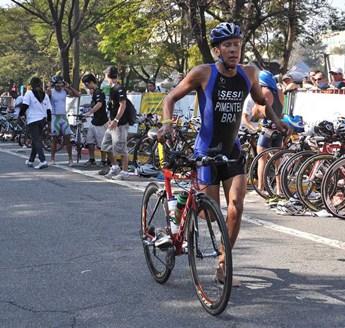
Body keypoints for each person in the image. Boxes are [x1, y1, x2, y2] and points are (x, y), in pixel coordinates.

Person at [156, 22, 289, 283]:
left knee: (236, 207)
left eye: (237, 45)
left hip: (232, 151)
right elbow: (170, 98)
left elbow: (262, 101)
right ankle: (183, 205)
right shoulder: (202, 73)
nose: (233, 50)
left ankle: (223, 263)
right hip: (206, 150)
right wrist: (166, 124)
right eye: (227, 45)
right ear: (217, 50)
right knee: (207, 212)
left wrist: (276, 120)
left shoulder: (248, 74)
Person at [253, 70, 286, 196]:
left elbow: (259, 112)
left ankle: (261, 187)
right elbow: (280, 110)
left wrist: (255, 110)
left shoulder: (264, 92)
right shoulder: (279, 92)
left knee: (262, 159)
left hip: (267, 129)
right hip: (278, 129)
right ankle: (279, 189)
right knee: (278, 161)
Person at [101, 65, 132, 180]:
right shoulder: (111, 88)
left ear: (108, 75)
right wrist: (110, 119)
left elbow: (122, 105)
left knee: (121, 147)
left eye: (105, 75)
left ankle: (124, 171)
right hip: (112, 123)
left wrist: (116, 120)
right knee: (105, 145)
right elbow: (112, 106)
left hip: (120, 124)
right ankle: (114, 167)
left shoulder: (119, 88)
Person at [46, 75, 81, 166]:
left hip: (63, 117)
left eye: (61, 84)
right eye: (57, 84)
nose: (59, 86)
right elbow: (45, 98)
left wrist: (68, 86)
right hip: (54, 117)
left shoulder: (64, 91)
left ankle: (70, 159)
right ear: (54, 84)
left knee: (67, 138)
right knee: (54, 139)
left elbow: (77, 95)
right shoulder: (51, 92)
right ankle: (52, 159)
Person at [19, 77, 52, 169]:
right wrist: (49, 122)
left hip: (33, 119)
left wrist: (21, 115)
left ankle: (42, 160)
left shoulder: (29, 93)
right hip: (43, 120)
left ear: (32, 85)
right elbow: (49, 110)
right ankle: (31, 160)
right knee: (35, 140)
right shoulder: (45, 95)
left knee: (36, 140)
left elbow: (25, 105)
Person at [81, 73, 109, 167]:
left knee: (102, 143)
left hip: (101, 121)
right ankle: (92, 159)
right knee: (90, 140)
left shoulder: (99, 92)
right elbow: (94, 104)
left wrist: (89, 112)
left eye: (86, 84)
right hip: (94, 121)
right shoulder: (94, 93)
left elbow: (99, 104)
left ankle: (103, 160)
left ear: (91, 82)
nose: (86, 86)